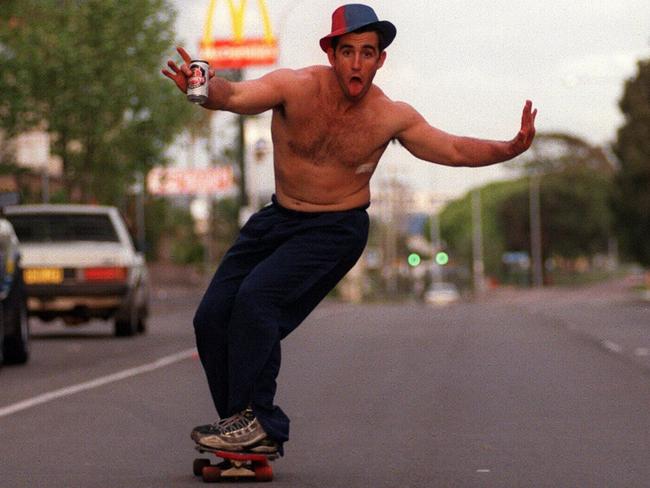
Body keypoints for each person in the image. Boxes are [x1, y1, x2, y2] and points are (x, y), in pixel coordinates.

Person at [162, 3, 537, 455]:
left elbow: (453, 149)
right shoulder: (293, 86)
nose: (357, 63)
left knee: (257, 300)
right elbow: (237, 96)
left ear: (380, 60)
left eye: (367, 53)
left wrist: (509, 148)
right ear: (331, 54)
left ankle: (256, 420)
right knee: (211, 318)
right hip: (278, 218)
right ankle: (241, 429)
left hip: (336, 228)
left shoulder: (389, 116)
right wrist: (203, 89)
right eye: (348, 52)